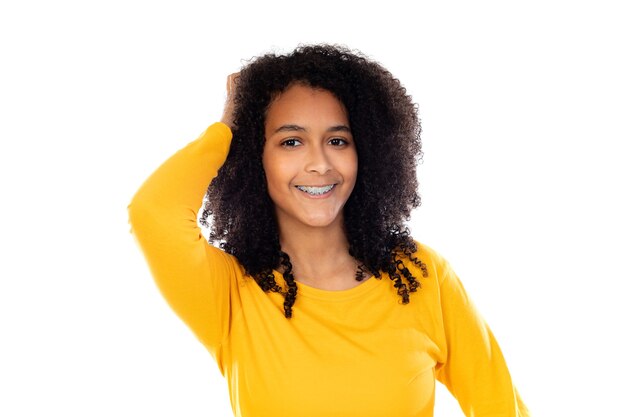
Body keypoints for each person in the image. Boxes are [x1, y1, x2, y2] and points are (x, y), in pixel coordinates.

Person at [128, 44, 530, 417]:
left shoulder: (422, 276)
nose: (319, 163)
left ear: (367, 152)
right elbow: (153, 213)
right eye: (291, 142)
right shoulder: (233, 294)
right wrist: (229, 127)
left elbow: (499, 404)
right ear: (256, 157)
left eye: (338, 140)